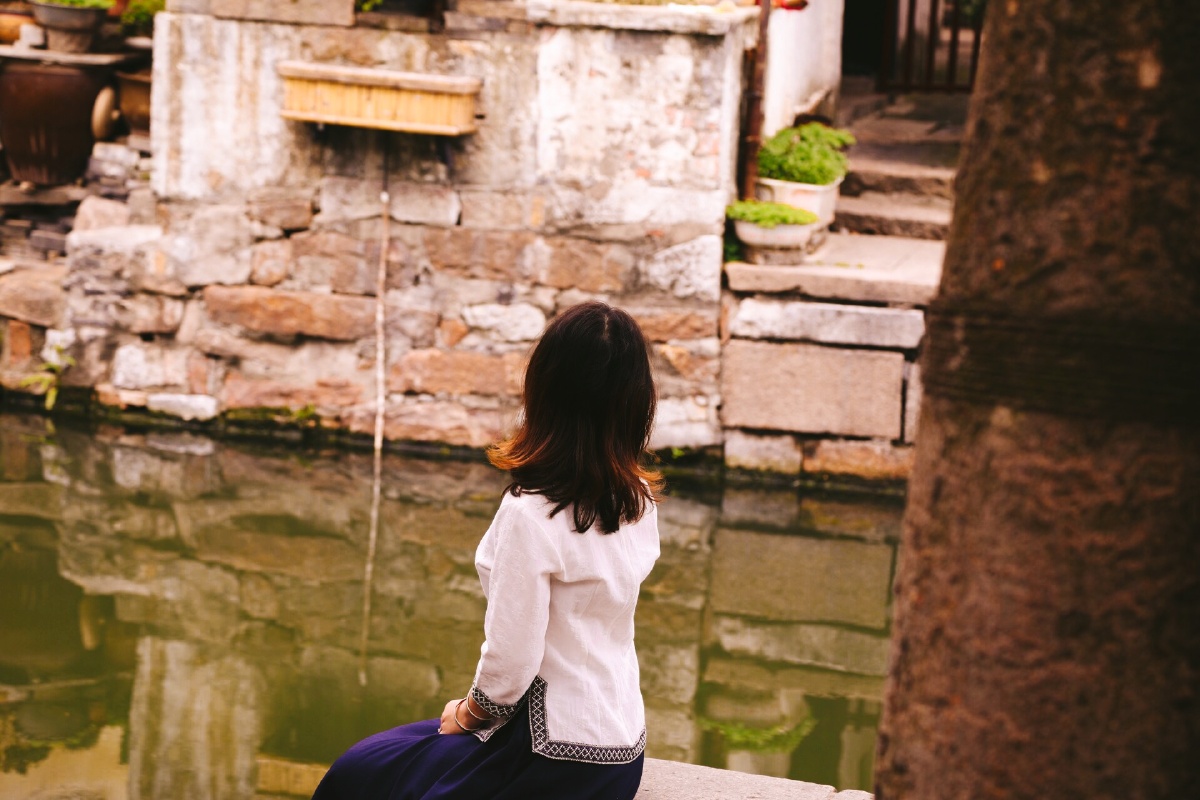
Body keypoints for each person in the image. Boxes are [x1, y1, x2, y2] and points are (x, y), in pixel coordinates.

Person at [312, 301, 663, 800]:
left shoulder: (530, 514)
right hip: (620, 750)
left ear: (544, 390)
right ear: (636, 400)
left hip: (549, 754)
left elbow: (512, 663)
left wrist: (467, 713)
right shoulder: (639, 500)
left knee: (359, 773)